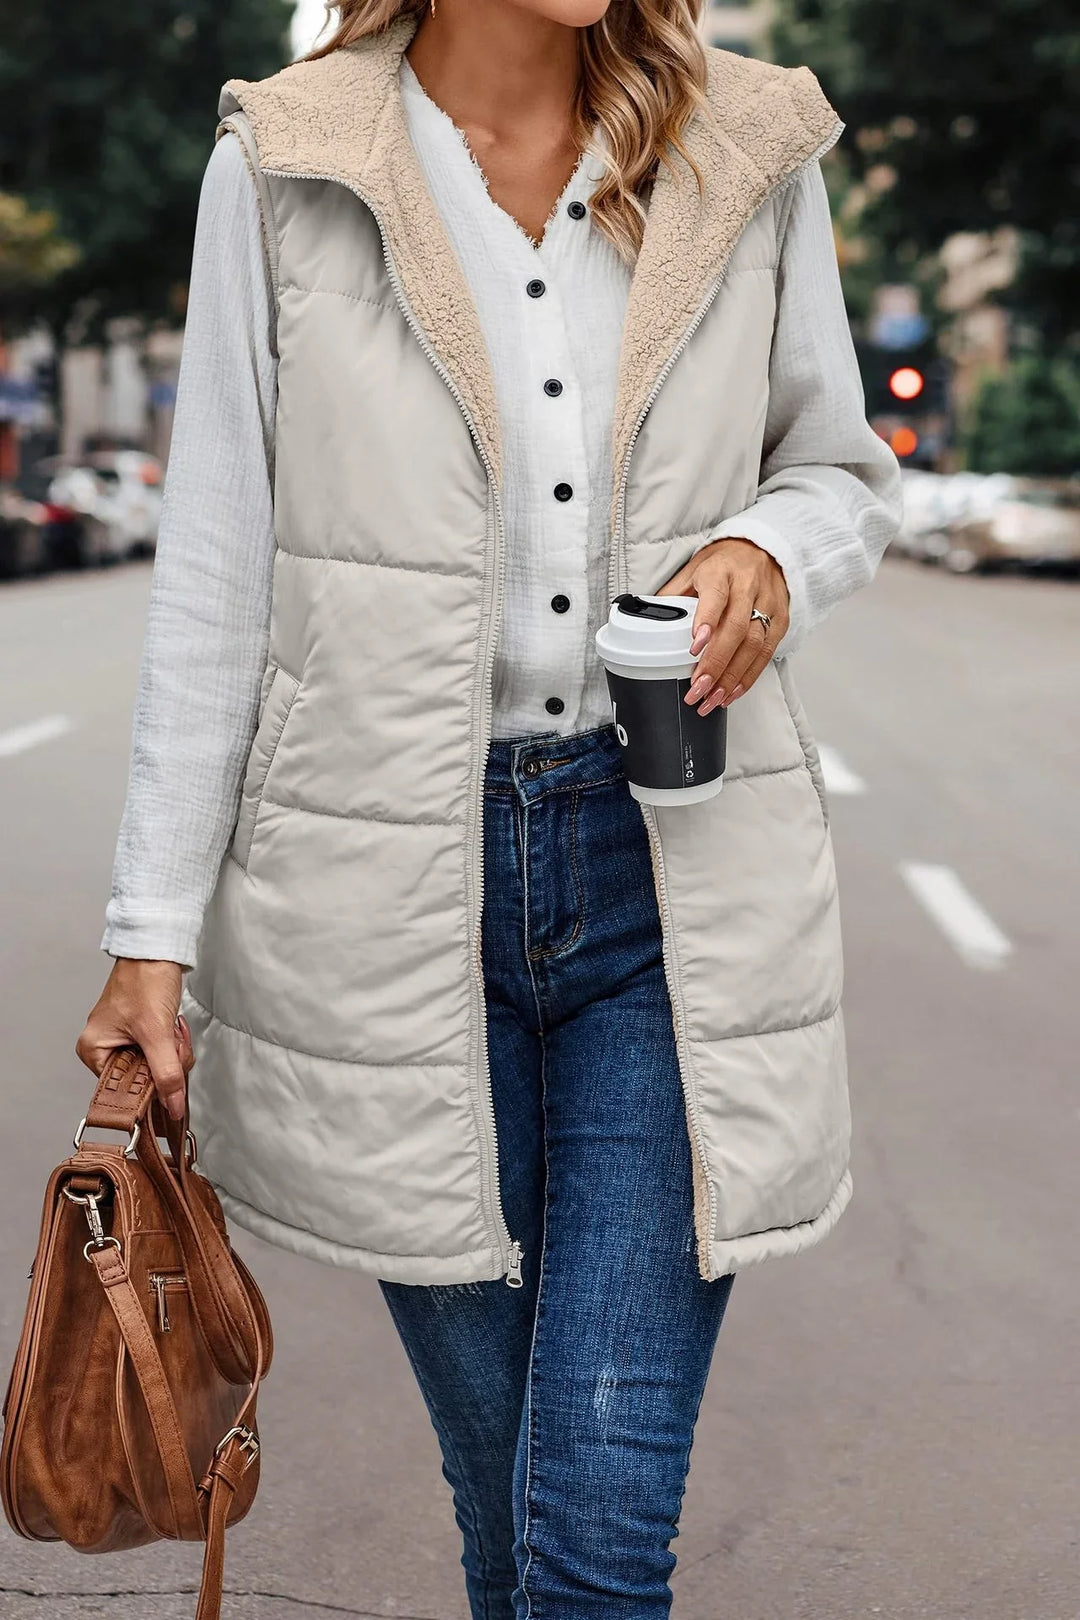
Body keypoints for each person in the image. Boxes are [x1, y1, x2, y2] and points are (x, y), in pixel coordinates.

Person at [77, 1, 901, 1613]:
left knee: (592, 1527)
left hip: (671, 879)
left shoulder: (748, 148)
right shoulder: (287, 162)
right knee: (510, 1508)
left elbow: (840, 470)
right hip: (379, 895)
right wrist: (149, 933)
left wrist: (769, 551)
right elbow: (218, 575)